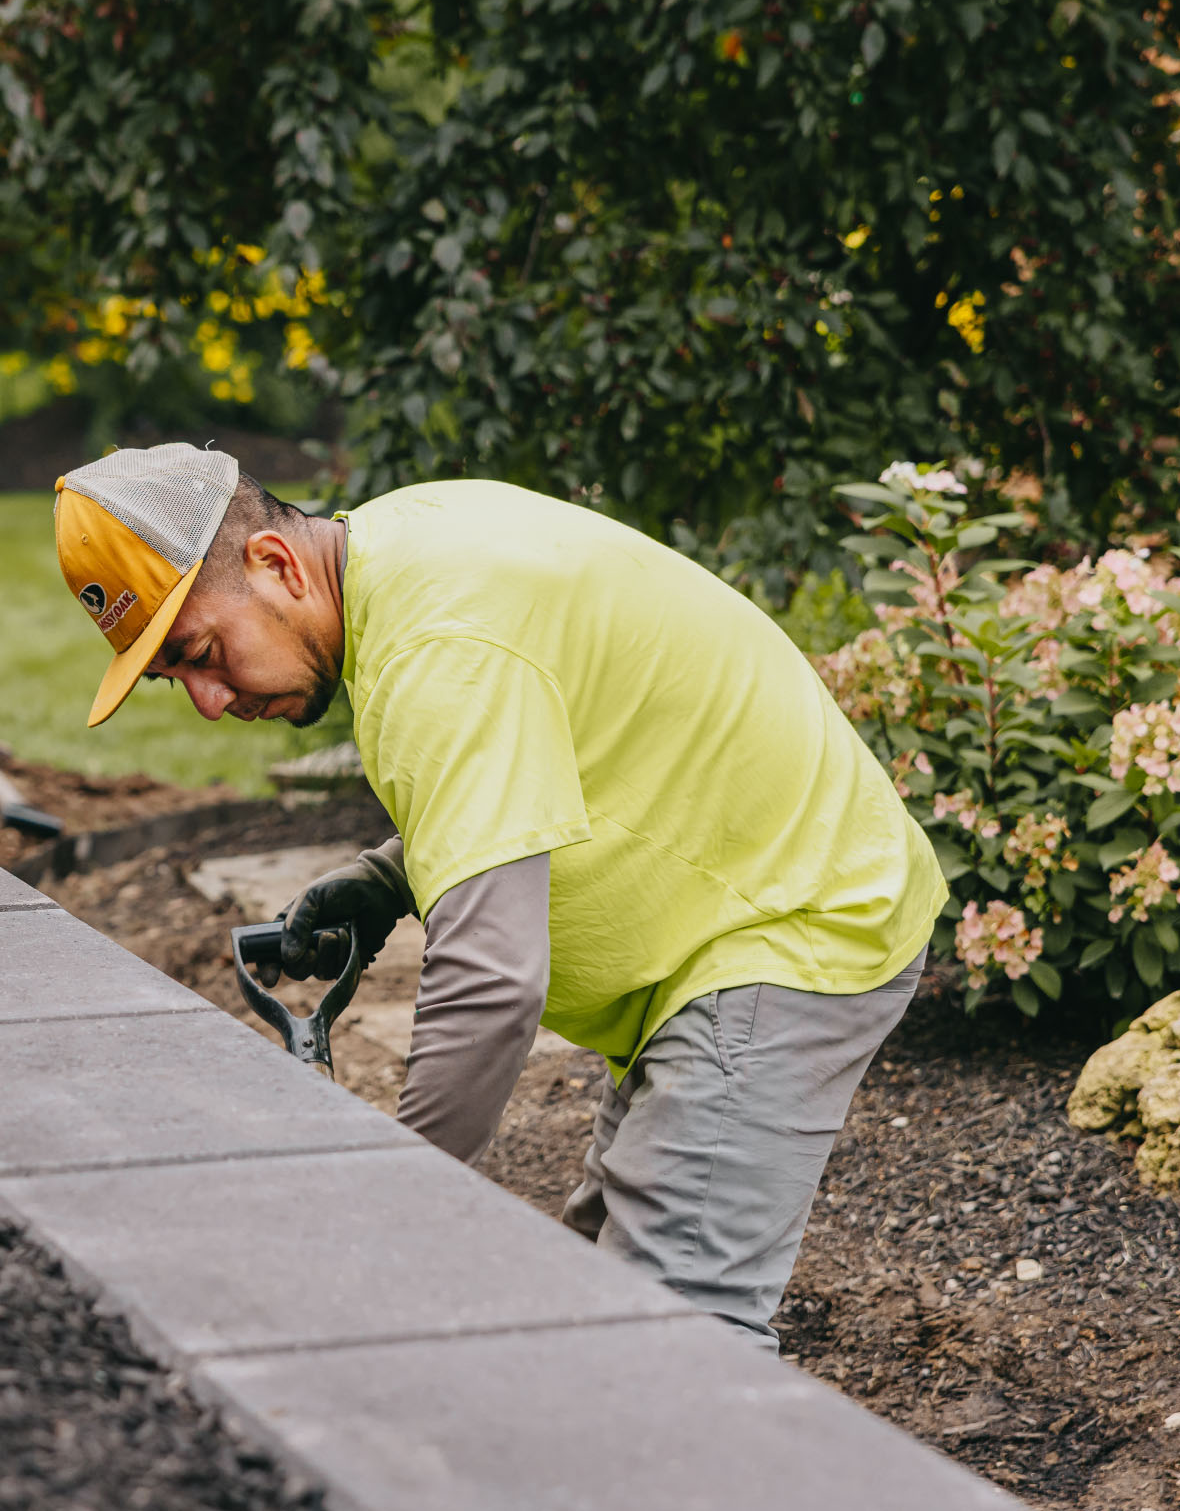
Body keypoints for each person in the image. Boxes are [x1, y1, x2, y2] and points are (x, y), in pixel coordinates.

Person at [53, 442, 946, 1351]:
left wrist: (406, 1225)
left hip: (787, 928)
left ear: (274, 565)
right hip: (728, 921)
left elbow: (489, 983)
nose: (208, 700)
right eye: (175, 677)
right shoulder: (404, 550)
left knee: (678, 1346)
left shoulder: (437, 648)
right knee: (600, 1297)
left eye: (203, 651)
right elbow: (547, 749)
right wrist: (392, 877)